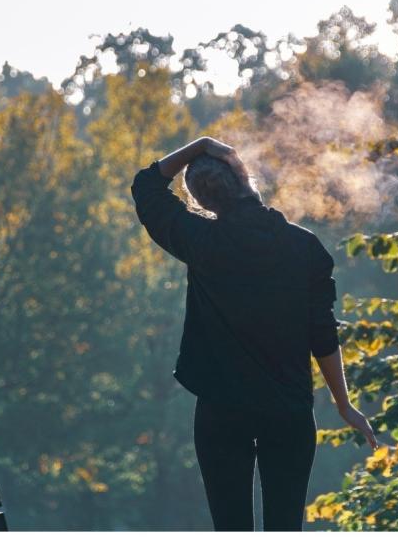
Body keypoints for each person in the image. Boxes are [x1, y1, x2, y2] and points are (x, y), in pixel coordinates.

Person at [130, 136, 379, 532]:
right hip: (289, 413)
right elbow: (323, 335)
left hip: (221, 414)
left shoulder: (201, 242)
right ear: (245, 178)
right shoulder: (304, 248)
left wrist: (200, 146)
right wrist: (343, 405)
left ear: (202, 202)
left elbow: (145, 186)